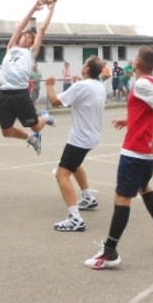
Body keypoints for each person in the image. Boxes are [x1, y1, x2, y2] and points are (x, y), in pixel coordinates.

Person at [85, 46, 153, 270]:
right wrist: (130, 120)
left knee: (122, 199)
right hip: (144, 154)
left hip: (135, 152)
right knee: (144, 187)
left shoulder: (142, 83)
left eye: (134, 59)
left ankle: (110, 251)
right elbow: (149, 111)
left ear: (137, 64)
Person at [46, 56, 106, 232]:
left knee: (61, 174)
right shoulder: (99, 86)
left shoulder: (81, 86)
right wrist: (78, 83)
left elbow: (56, 102)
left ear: (87, 69)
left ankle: (75, 218)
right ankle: (88, 198)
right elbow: (84, 92)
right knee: (75, 165)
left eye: (84, 64)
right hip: (92, 136)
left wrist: (49, 86)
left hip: (80, 138)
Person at [0, 0, 57, 155]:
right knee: (6, 131)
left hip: (20, 94)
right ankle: (31, 139)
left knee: (36, 127)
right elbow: (21, 27)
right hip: (4, 94)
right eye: (25, 36)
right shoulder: (11, 47)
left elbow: (42, 30)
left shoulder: (30, 53)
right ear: (19, 38)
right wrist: (33, 9)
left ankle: (46, 117)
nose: (27, 38)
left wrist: (51, 10)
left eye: (30, 38)